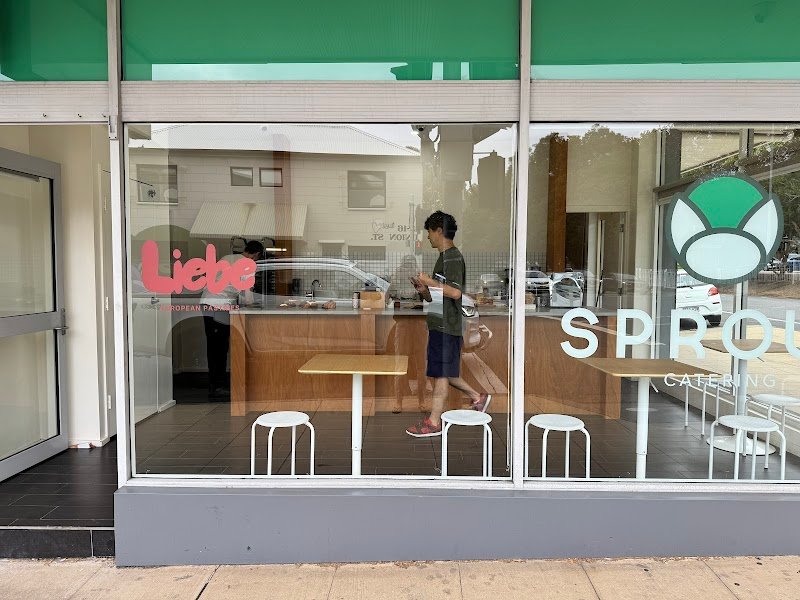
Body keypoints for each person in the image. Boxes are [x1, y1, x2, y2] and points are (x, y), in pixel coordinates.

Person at [406, 211, 491, 437]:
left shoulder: (452, 257)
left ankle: (434, 422)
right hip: (441, 324)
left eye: (429, 232)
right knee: (443, 370)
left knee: (441, 374)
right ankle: (478, 397)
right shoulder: (444, 258)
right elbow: (438, 296)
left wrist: (429, 281)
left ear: (439, 231)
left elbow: (455, 293)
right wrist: (424, 290)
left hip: (446, 325)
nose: (428, 237)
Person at [201, 240, 264, 399]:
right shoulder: (249, 265)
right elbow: (247, 297)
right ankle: (218, 387)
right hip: (219, 305)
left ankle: (215, 385)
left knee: (213, 346)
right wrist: (257, 304)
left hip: (206, 302)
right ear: (256, 255)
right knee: (220, 347)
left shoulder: (227, 257)